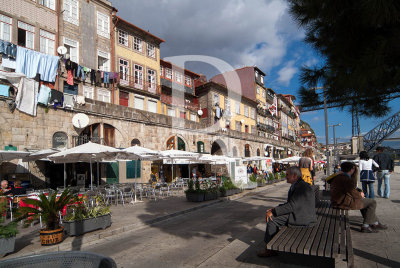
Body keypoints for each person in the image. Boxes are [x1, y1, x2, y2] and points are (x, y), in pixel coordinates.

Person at [257, 166, 317, 257]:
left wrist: (274, 212)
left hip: (303, 218)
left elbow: (291, 206)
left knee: (271, 219)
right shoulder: (300, 185)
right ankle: (272, 243)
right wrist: (274, 209)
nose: (286, 176)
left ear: (295, 176)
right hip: (302, 214)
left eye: (288, 175)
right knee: (273, 215)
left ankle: (270, 249)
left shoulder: (300, 187)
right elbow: (292, 204)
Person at [328, 161, 387, 233]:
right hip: (342, 202)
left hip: (338, 200)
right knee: (372, 202)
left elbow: (349, 190)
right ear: (352, 169)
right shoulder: (345, 179)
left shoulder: (339, 177)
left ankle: (375, 223)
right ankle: (366, 226)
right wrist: (360, 194)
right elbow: (353, 192)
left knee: (365, 203)